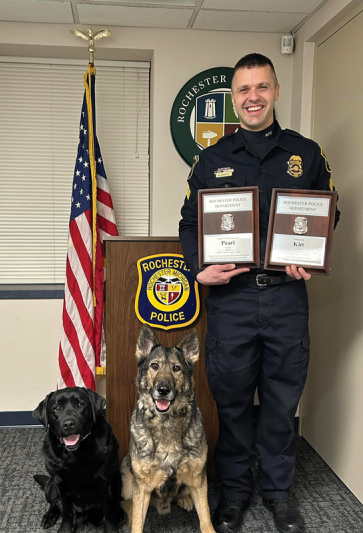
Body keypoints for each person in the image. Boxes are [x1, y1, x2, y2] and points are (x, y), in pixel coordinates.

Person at [179, 53, 340, 533]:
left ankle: (277, 494)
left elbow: (330, 214)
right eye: (244, 90)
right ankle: (234, 493)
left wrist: (308, 253)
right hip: (232, 301)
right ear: (234, 97)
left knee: (280, 402)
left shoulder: (306, 154)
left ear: (274, 91)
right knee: (230, 402)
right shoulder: (210, 160)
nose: (253, 97)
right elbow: (190, 225)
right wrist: (197, 271)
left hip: (287, 299)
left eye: (262, 87)